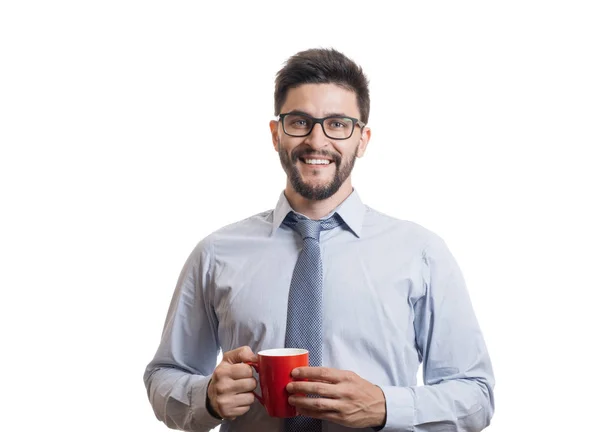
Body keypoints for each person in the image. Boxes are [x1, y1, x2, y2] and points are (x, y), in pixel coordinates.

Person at [143, 47, 495, 432]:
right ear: (277, 134)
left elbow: (476, 396)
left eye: (338, 124)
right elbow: (165, 374)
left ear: (362, 139)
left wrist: (384, 406)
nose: (317, 140)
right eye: (299, 122)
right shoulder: (215, 253)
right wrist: (207, 396)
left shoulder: (421, 254)